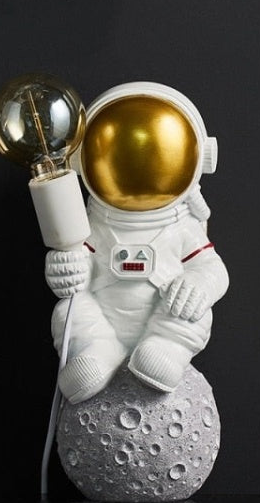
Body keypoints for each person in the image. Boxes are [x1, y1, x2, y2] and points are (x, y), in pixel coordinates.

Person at [44, 82, 229, 405]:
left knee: (195, 315)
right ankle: (95, 351)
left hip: (165, 317)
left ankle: (166, 349)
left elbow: (212, 268)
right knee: (69, 310)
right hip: (102, 319)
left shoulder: (182, 227)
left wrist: (199, 284)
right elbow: (77, 264)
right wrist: (65, 270)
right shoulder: (91, 226)